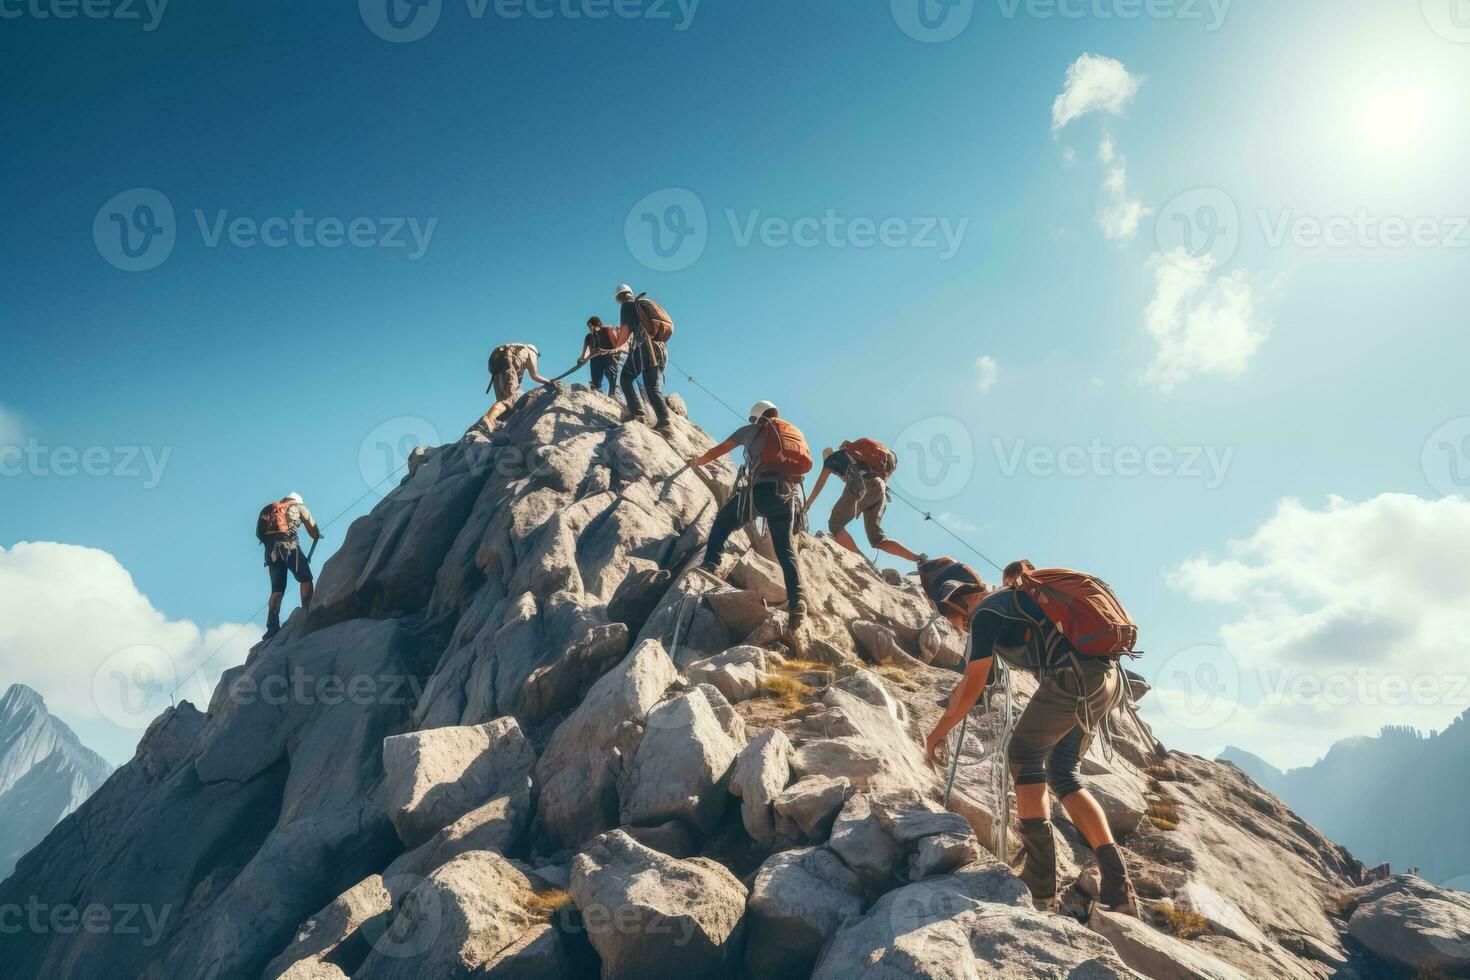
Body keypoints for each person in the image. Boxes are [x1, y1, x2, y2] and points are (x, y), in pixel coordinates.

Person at [923, 559, 1138, 916]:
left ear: (953, 602)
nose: (957, 628)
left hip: (1074, 679)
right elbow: (979, 681)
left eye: (950, 618)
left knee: (1023, 754)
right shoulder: (1015, 601)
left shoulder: (987, 613)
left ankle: (1040, 880)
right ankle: (1118, 888)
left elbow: (973, 685)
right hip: (1107, 679)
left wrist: (936, 735)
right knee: (1063, 772)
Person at [686, 401, 812, 634]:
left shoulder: (750, 430)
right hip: (785, 496)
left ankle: (711, 563)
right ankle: (798, 601)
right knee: (786, 551)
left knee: (723, 522)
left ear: (755, 417)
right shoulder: (789, 432)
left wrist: (697, 461)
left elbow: (718, 451)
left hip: (758, 493)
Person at [806, 439, 923, 564]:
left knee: (835, 525)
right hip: (880, 488)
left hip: (863, 485)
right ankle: (918, 558)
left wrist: (808, 504)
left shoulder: (832, 459)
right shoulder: (858, 457)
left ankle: (861, 560)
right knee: (878, 540)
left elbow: (820, 483)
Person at [608, 284, 673, 436]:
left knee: (625, 377)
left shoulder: (627, 305)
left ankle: (638, 414)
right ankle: (664, 421)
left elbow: (625, 331)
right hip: (659, 348)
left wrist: (616, 347)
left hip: (645, 349)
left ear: (619, 297)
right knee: (651, 387)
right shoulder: (640, 304)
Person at [256, 492, 322, 640]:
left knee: (277, 591)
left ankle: (272, 627)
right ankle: (307, 610)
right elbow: (312, 526)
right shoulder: (297, 506)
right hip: (288, 546)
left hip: (270, 552)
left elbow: (259, 535)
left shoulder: (270, 510)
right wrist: (316, 535)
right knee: (306, 578)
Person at [472, 342, 553, 436]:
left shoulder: (517, 351)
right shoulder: (531, 352)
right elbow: (534, 375)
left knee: (504, 399)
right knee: (510, 398)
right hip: (506, 362)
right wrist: (549, 382)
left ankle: (492, 424)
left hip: (496, 365)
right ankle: (488, 420)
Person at [578, 316, 621, 397]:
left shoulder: (607, 329)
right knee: (596, 379)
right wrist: (582, 358)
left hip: (609, 356)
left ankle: (612, 394)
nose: (589, 328)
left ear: (595, 324)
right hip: (595, 358)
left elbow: (616, 344)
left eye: (590, 326)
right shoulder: (589, 336)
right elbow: (586, 350)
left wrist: (614, 352)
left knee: (612, 376)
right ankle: (597, 389)